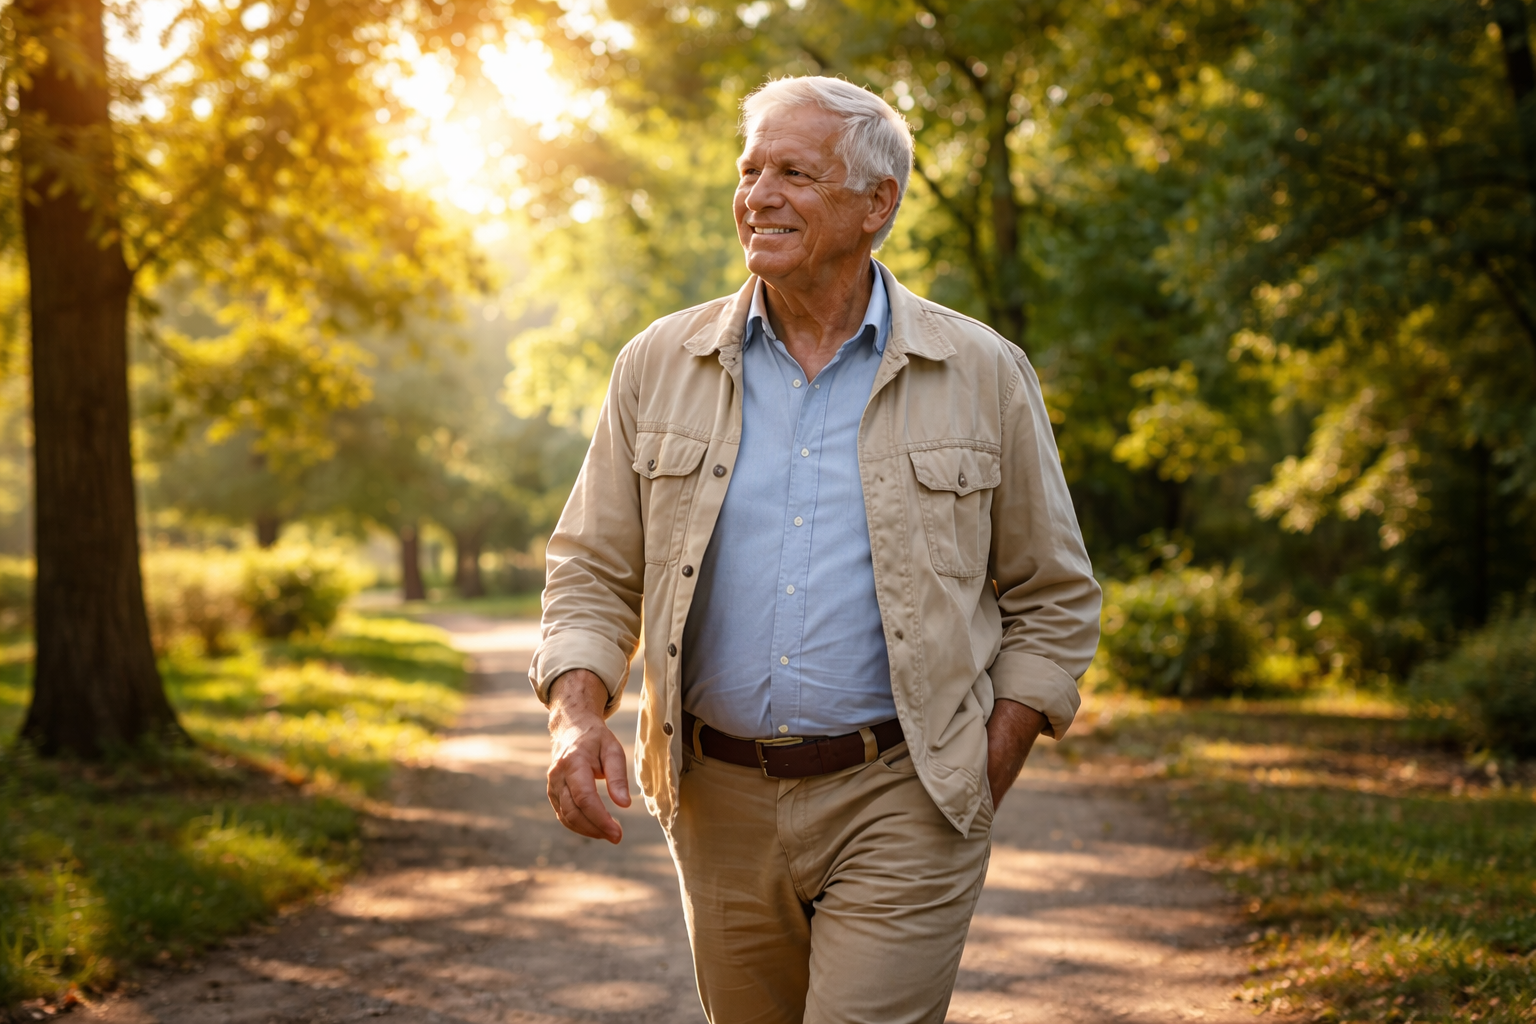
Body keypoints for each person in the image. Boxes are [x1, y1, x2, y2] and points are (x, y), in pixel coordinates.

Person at [531, 75, 1101, 1024]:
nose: (759, 195)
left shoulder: (981, 371)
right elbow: (592, 569)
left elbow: (1054, 596)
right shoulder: (657, 364)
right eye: (749, 170)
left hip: (902, 798)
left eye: (794, 173)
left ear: (877, 203)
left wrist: (982, 767)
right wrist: (575, 719)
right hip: (716, 804)